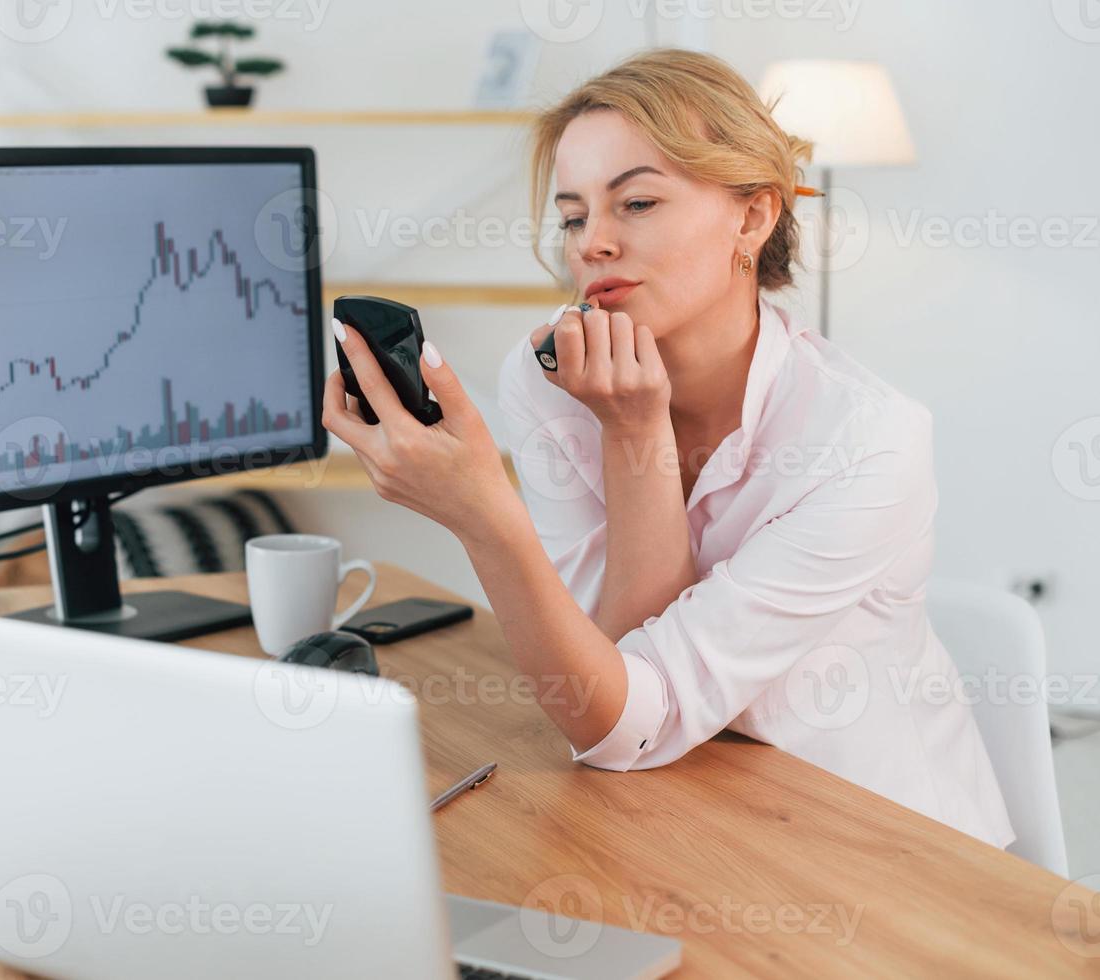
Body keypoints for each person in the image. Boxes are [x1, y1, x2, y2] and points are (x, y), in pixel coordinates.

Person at [321, 48, 1013, 848]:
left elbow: (624, 726)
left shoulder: (866, 441)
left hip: (882, 848)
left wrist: (483, 513)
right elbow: (616, 686)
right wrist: (632, 429)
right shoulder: (549, 381)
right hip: (685, 806)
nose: (594, 245)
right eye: (575, 217)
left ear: (754, 217)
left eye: (638, 203)